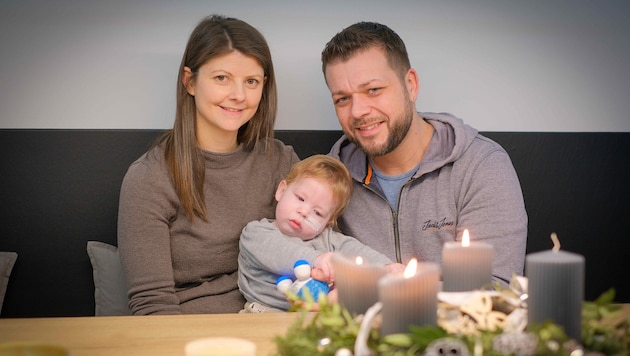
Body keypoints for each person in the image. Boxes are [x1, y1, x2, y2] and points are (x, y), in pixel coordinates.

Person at [320, 21, 527, 287]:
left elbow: (497, 287)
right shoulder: (329, 178)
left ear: (411, 85)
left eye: (373, 90)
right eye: (343, 99)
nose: (358, 111)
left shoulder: (481, 166)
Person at [117, 15, 299, 315]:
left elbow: (318, 251)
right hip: (195, 333)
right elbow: (153, 305)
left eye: (251, 81)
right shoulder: (148, 178)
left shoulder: (282, 161)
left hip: (277, 325)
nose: (238, 95)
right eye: (221, 78)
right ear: (190, 81)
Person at [238, 155, 403, 313]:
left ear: (328, 221)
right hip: (264, 313)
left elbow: (358, 251)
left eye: (317, 213)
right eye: (300, 199)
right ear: (282, 191)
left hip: (317, 317)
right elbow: (280, 252)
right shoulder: (255, 234)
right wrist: (317, 260)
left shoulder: (329, 241)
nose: (303, 212)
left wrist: (386, 268)